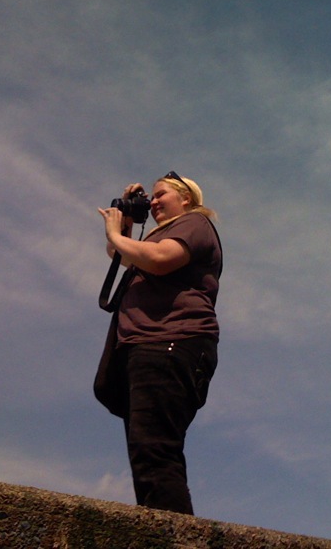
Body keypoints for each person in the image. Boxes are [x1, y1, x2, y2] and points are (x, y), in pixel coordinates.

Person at [97, 171, 222, 515]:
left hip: (170, 342)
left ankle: (171, 534)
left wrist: (113, 233)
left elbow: (160, 259)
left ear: (186, 198)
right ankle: (162, 527)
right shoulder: (161, 232)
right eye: (150, 198)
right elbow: (122, 254)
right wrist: (125, 225)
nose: (153, 202)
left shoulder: (195, 222)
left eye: (160, 194)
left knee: (155, 450)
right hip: (149, 345)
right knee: (146, 451)